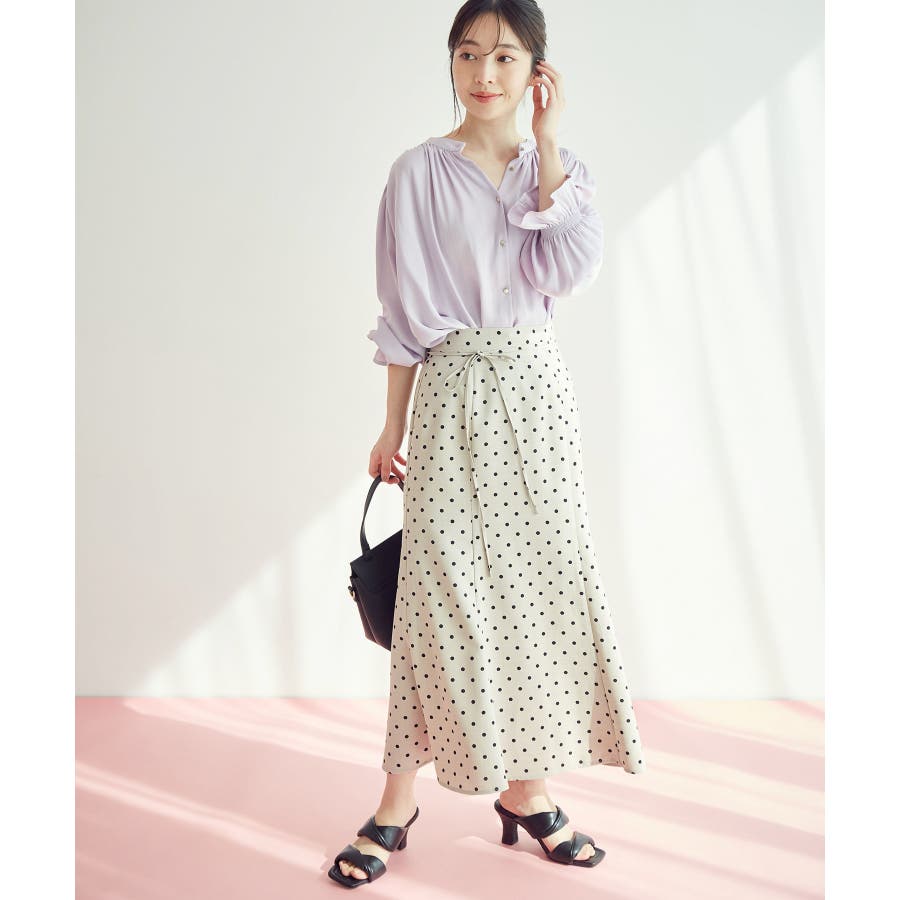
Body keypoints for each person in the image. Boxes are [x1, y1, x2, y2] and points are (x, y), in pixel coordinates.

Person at [328, 0, 646, 887]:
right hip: (450, 396)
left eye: (504, 57)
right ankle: (397, 802)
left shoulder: (558, 174)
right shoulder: (416, 173)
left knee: (541, 595)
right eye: (468, 54)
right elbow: (400, 310)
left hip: (536, 399)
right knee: (435, 604)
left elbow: (568, 272)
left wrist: (547, 146)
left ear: (537, 70)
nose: (483, 73)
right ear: (452, 63)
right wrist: (391, 426)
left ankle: (528, 791)